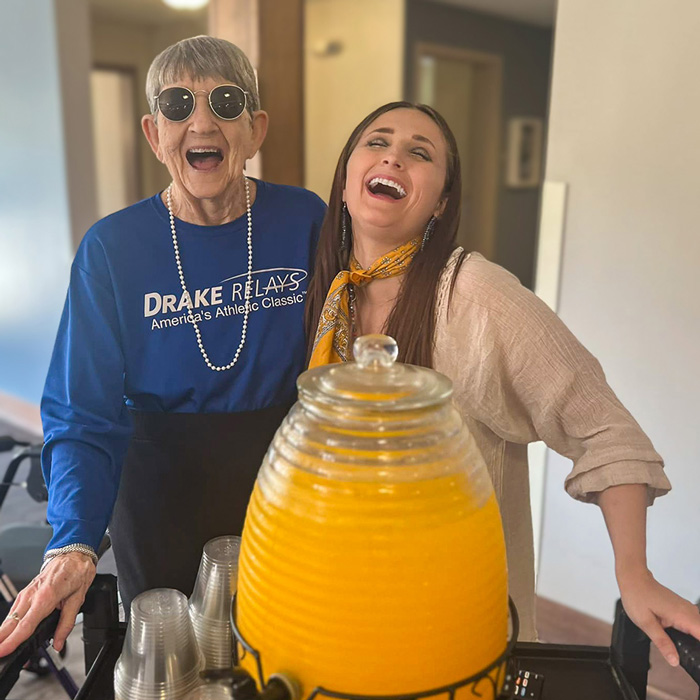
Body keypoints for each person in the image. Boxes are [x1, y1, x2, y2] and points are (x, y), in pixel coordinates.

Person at [305, 101, 700, 660]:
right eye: (377, 142)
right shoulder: (323, 293)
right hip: (339, 603)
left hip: (454, 621)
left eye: (419, 153)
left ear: (441, 203)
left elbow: (607, 433)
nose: (393, 155)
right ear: (346, 180)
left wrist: (634, 575)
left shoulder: (476, 296)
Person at [0, 36, 325, 657]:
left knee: (284, 649)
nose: (201, 121)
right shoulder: (112, 249)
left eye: (225, 103)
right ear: (154, 133)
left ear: (254, 130)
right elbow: (81, 411)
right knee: (174, 661)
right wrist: (72, 541)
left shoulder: (304, 219)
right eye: (178, 105)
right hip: (158, 487)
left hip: (283, 479)